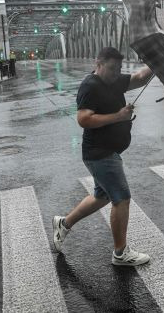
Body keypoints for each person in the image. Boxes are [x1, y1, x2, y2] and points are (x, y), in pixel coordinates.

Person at [53, 46, 153, 266]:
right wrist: (119, 116)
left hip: (106, 151)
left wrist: (157, 64)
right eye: (111, 68)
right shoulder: (91, 86)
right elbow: (84, 119)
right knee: (121, 198)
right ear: (98, 64)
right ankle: (120, 253)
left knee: (102, 195)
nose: (116, 73)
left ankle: (64, 223)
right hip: (100, 153)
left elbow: (139, 78)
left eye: (119, 68)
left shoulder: (114, 80)